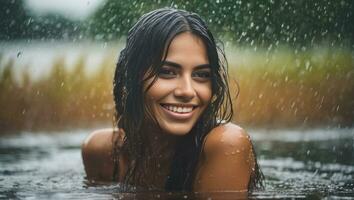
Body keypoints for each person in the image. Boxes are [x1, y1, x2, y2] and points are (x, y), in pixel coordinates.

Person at [81, 8, 263, 194]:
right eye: (167, 72)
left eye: (201, 75)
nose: (187, 91)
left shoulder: (227, 144)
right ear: (132, 78)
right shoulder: (104, 153)